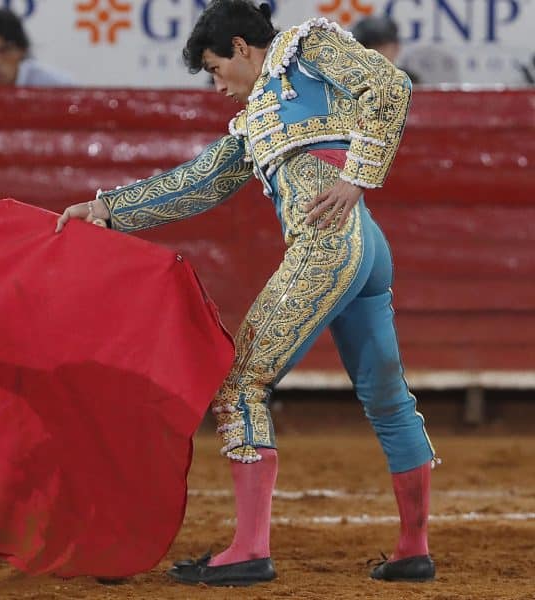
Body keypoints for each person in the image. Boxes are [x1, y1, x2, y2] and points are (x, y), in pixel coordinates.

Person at [57, 0, 435, 586]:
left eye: (214, 69)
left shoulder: (306, 48)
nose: (216, 86)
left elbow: (388, 84)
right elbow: (203, 180)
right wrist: (108, 209)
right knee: (386, 395)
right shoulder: (258, 115)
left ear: (240, 46)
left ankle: (250, 550)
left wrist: (357, 175)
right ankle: (414, 549)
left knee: (239, 383)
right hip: (360, 246)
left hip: (329, 242)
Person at [352, 15, 421, 83]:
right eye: (366, 46)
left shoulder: (410, 83)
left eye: (380, 46)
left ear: (396, 48)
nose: (372, 53)